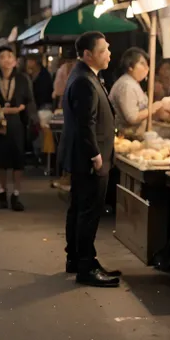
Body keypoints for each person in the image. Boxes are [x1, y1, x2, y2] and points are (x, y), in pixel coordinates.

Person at [60, 31, 121, 288]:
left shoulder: (86, 76)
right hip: (90, 159)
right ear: (88, 54)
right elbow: (86, 123)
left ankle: (76, 258)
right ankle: (86, 266)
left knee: (79, 209)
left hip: (85, 156)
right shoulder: (84, 80)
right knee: (88, 212)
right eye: (104, 50)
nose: (109, 54)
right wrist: (96, 155)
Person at [0, 46, 35, 212]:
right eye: (2, 57)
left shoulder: (22, 78)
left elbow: (29, 101)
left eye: (9, 56)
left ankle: (16, 194)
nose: (6, 59)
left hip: (17, 123)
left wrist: (28, 117)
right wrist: (2, 110)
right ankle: (2, 192)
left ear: (15, 61)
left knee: (17, 160)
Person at [108, 48, 169, 138]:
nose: (147, 68)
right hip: (126, 138)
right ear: (130, 66)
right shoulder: (126, 85)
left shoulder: (133, 83)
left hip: (137, 135)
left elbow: (143, 111)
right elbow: (132, 118)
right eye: (142, 64)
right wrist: (153, 108)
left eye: (147, 65)